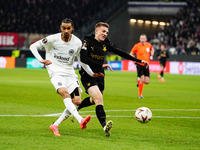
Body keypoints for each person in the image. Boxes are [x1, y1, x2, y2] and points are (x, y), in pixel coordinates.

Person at [29, 18, 104, 136]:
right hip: (55, 72)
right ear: (61, 28)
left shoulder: (77, 42)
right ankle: (81, 120)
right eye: (64, 28)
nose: (66, 31)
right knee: (65, 94)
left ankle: (55, 125)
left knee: (78, 101)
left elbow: (82, 61)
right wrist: (41, 60)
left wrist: (91, 73)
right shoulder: (53, 39)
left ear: (72, 29)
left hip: (70, 73)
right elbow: (33, 46)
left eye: (68, 28)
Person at [74, 22, 148, 137]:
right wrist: (100, 66)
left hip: (100, 76)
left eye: (107, 32)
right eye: (103, 31)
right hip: (88, 75)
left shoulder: (105, 43)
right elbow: (83, 58)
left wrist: (138, 61)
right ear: (96, 31)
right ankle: (105, 127)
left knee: (95, 100)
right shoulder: (87, 41)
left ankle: (77, 107)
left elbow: (119, 52)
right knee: (99, 98)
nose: (105, 34)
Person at [130, 34, 154, 99]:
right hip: (139, 64)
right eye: (141, 38)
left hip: (146, 65)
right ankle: (140, 94)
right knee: (142, 80)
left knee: (147, 82)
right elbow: (131, 53)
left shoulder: (148, 45)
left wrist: (151, 55)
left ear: (146, 39)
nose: (142, 40)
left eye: (144, 38)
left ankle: (138, 81)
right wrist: (134, 59)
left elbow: (152, 50)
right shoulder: (137, 46)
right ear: (139, 39)